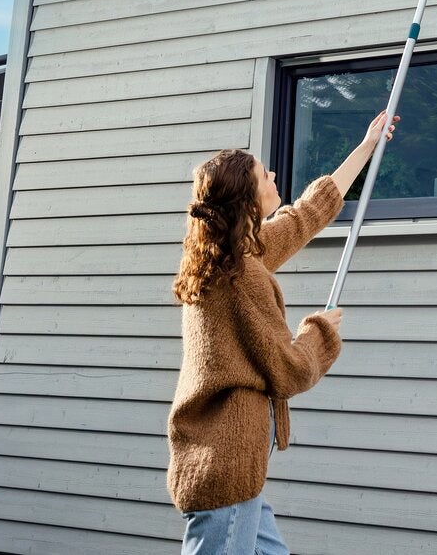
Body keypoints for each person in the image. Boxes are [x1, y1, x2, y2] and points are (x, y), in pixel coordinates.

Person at [167, 112, 396, 554]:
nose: (272, 174)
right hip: (228, 461)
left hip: (227, 459)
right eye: (263, 173)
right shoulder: (240, 276)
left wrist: (366, 146)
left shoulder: (227, 258)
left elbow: (305, 215)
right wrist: (320, 331)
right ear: (249, 201)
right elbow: (287, 369)